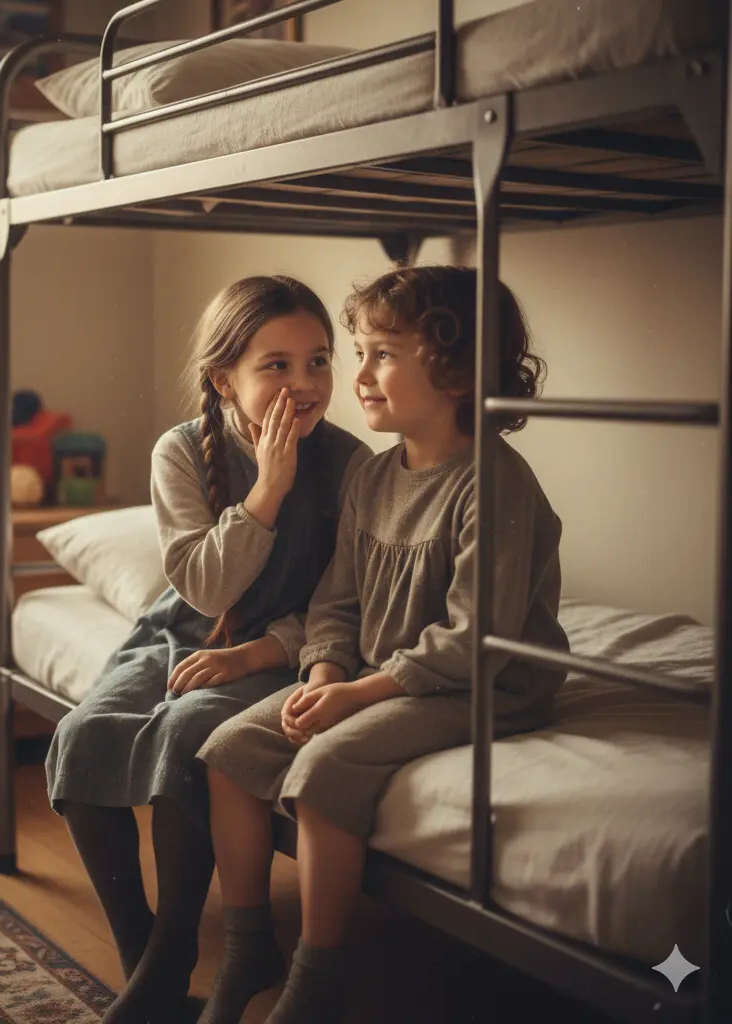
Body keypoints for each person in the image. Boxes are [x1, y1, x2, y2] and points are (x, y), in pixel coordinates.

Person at [197, 266, 570, 1024]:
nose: (356, 375)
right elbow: (338, 601)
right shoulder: (372, 477)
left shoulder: (492, 484)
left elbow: (476, 641)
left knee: (327, 765)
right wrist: (325, 670)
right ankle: (246, 950)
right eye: (358, 353)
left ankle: (316, 983)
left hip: (480, 684)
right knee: (230, 750)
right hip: (377, 672)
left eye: (382, 355)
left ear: (459, 371)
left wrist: (358, 695)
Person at [45, 274, 372, 1023]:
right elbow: (203, 589)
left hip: (280, 654)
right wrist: (266, 490)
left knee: (187, 734)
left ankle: (170, 961)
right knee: (84, 734)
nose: (305, 383)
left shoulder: (350, 465)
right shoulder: (183, 452)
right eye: (277, 365)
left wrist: (256, 655)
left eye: (319, 361)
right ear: (224, 376)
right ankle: (146, 963)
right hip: (186, 633)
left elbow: (338, 608)